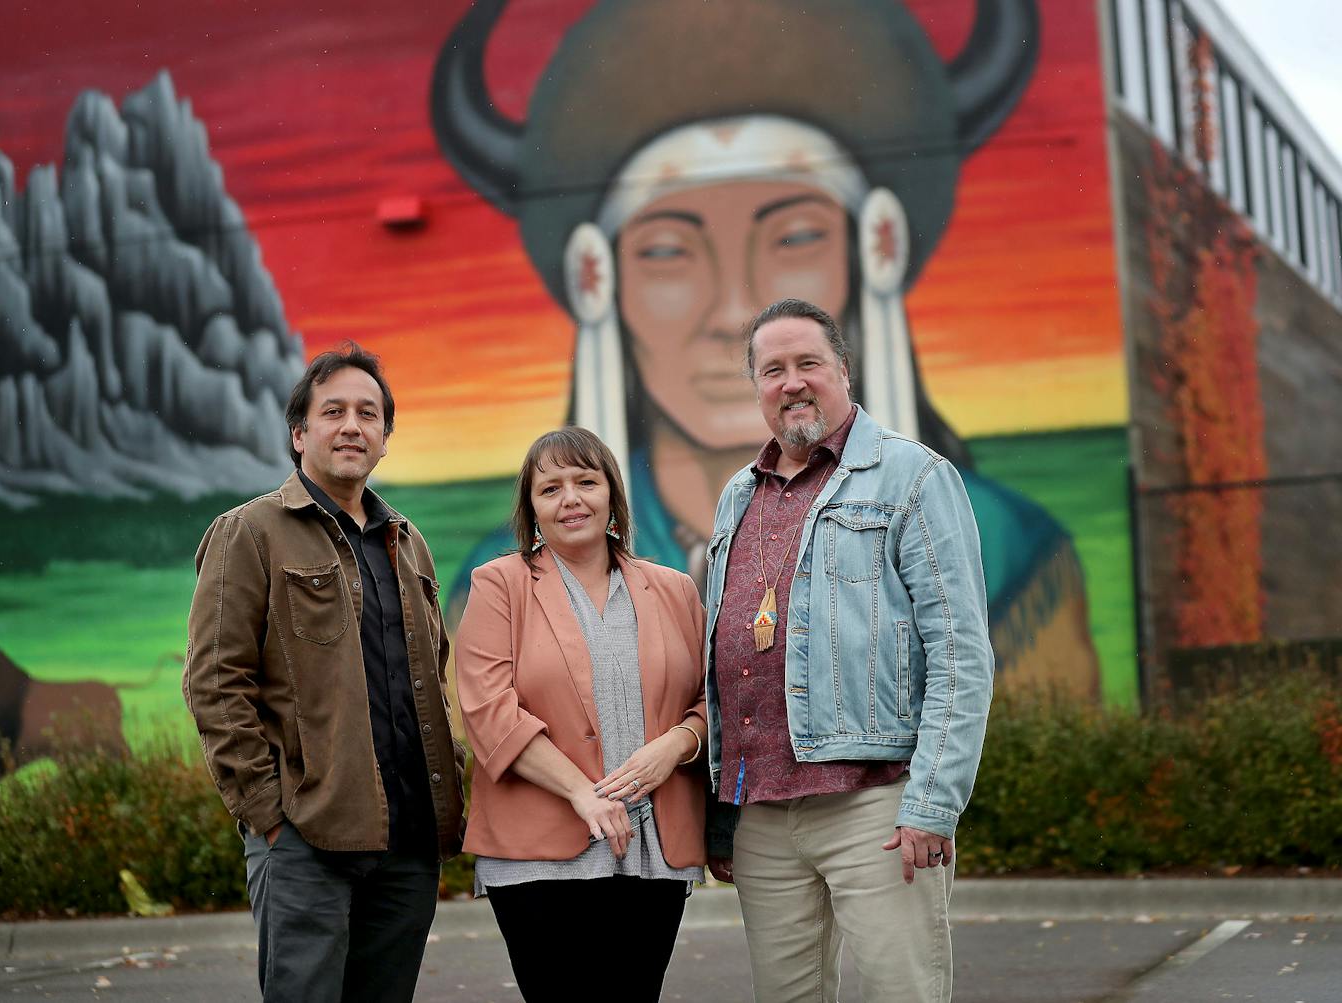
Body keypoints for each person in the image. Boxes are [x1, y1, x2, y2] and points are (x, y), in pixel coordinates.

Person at [432, 0, 1100, 698]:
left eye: (794, 237)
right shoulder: (510, 582)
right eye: (667, 251)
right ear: (598, 277)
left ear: (875, 246)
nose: (731, 312)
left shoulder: (1004, 550)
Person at [704, 299, 994, 1003]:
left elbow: (959, 653)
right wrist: (719, 811)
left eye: (808, 363)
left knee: (903, 992)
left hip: (876, 806)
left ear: (842, 370)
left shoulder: (914, 477)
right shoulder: (737, 495)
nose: (792, 382)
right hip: (762, 816)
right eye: (773, 369)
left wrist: (932, 802)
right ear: (757, 388)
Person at [183, 343, 465, 1003]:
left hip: (408, 842)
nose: (351, 425)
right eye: (332, 410)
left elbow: (433, 676)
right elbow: (216, 684)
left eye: (368, 414)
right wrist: (268, 815)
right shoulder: (249, 532)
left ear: (385, 439)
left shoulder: (409, 541)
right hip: (306, 840)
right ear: (299, 433)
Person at [455, 426, 708, 1002]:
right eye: (550, 488)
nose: (570, 498)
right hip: (538, 856)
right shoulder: (498, 585)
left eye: (585, 482)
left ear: (613, 498)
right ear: (532, 511)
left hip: (653, 853)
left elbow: (712, 702)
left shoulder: (675, 589)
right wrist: (582, 792)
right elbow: (489, 711)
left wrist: (677, 745)